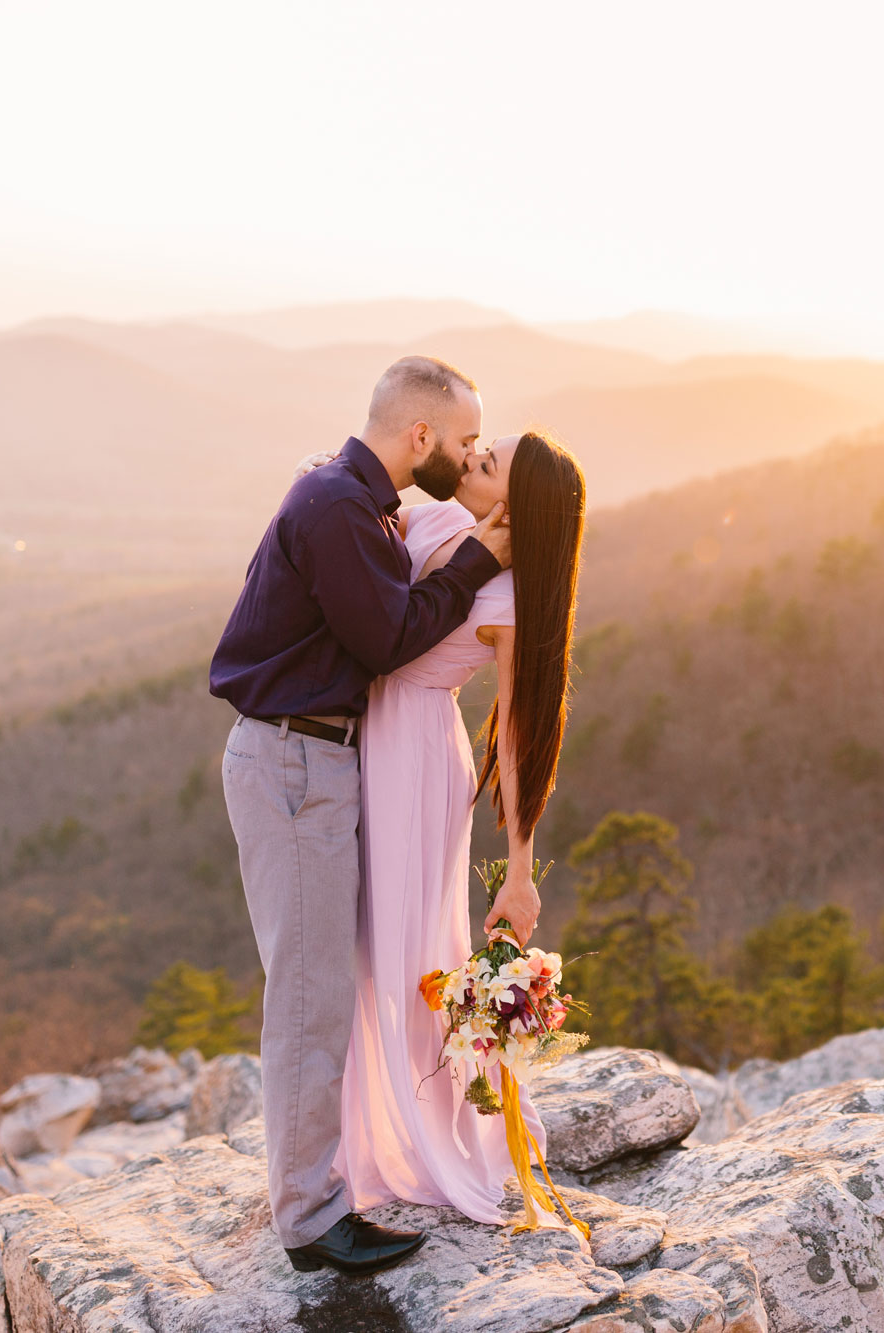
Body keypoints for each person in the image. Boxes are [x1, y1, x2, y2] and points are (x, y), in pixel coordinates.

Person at [210, 356, 511, 1278]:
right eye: (460, 442)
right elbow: (385, 637)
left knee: (320, 987)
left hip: (313, 757)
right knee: (309, 997)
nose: (465, 461)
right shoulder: (339, 505)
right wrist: (477, 561)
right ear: (418, 435)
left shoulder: (350, 497)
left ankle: (324, 1181)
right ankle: (308, 1217)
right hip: (296, 759)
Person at [334, 429, 587, 1225]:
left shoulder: (509, 601)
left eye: (486, 464)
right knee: (351, 944)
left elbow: (517, 735)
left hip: (415, 758)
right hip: (357, 735)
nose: (467, 464)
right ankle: (359, 1129)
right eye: (478, 450)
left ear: (517, 503)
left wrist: (520, 867)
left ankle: (413, 1132)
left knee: (403, 951)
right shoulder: (432, 523)